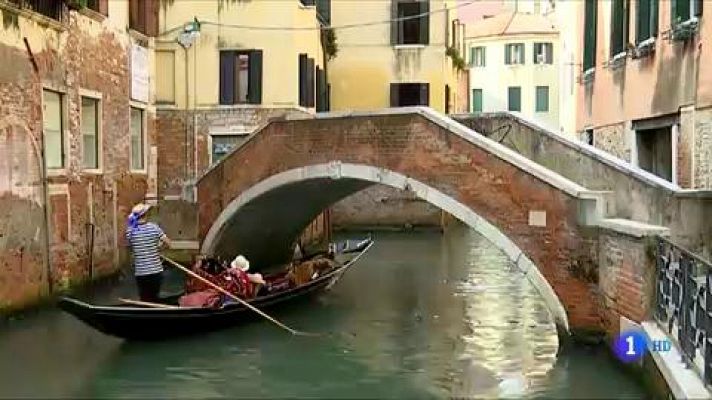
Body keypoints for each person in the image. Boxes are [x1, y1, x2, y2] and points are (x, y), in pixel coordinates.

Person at [125, 203, 171, 302]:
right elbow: (168, 243)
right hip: (156, 271)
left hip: (141, 272)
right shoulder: (154, 228)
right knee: (154, 297)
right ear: (145, 214)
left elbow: (131, 247)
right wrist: (158, 248)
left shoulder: (130, 231)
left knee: (144, 299)